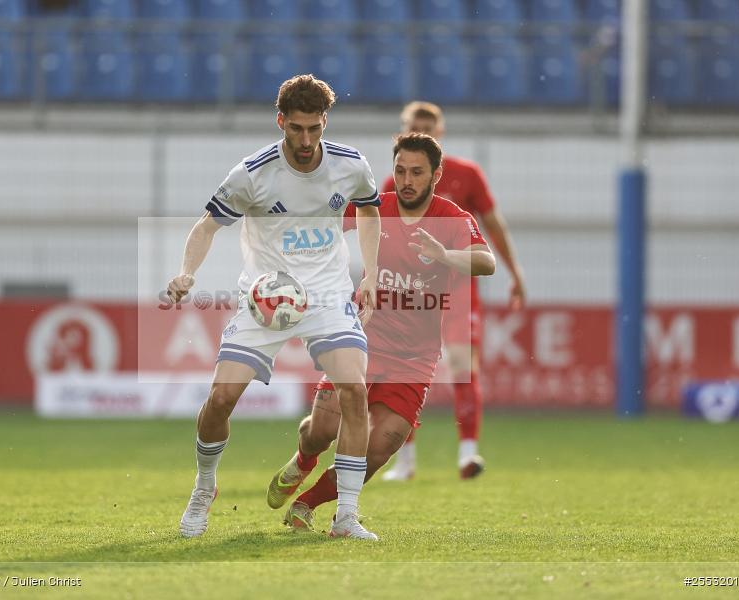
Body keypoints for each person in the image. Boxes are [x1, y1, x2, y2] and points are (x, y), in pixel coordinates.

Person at [165, 74, 382, 540]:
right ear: (280, 121)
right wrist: (187, 272)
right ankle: (205, 489)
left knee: (355, 392)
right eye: (296, 129)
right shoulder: (252, 174)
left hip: (326, 295)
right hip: (264, 300)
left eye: (314, 129)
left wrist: (373, 274)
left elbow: (368, 209)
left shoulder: (351, 165)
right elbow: (207, 227)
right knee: (221, 399)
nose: (305, 140)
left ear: (325, 122)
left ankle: (346, 515)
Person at [265, 132, 495, 530]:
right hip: (361, 340)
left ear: (436, 175)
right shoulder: (377, 207)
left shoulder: (453, 219)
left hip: (415, 359)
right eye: (401, 170)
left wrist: (444, 255)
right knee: (321, 432)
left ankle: (309, 505)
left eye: (417, 173)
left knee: (380, 446)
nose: (407, 180)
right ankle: (303, 460)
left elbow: (486, 262)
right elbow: (323, 230)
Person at [380, 101, 526, 481]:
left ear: (441, 132)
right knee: (401, 372)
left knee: (462, 367)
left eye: (429, 127)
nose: (423, 132)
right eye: (416, 126)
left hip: (458, 289)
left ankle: (467, 454)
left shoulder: (467, 174)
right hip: (412, 294)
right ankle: (405, 460)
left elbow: (493, 226)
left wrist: (515, 271)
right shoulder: (393, 184)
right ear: (403, 132)